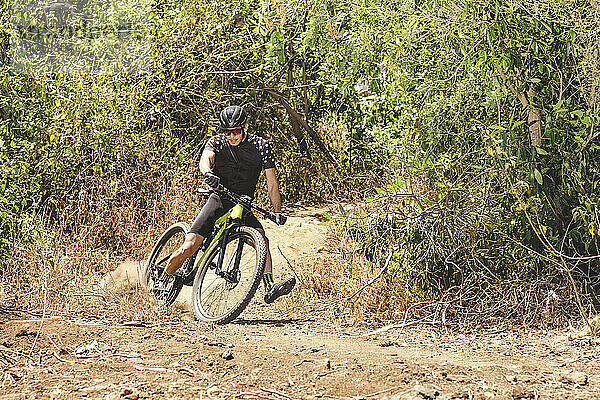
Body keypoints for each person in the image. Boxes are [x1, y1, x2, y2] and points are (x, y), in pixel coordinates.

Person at [159, 105, 295, 304]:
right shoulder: (216, 142)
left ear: (245, 127)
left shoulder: (261, 146)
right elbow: (205, 159)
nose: (231, 136)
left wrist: (277, 211)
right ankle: (162, 279)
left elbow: (272, 182)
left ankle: (269, 286)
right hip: (219, 198)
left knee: (262, 241)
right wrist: (207, 173)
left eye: (236, 131)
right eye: (227, 132)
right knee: (188, 247)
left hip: (243, 202)